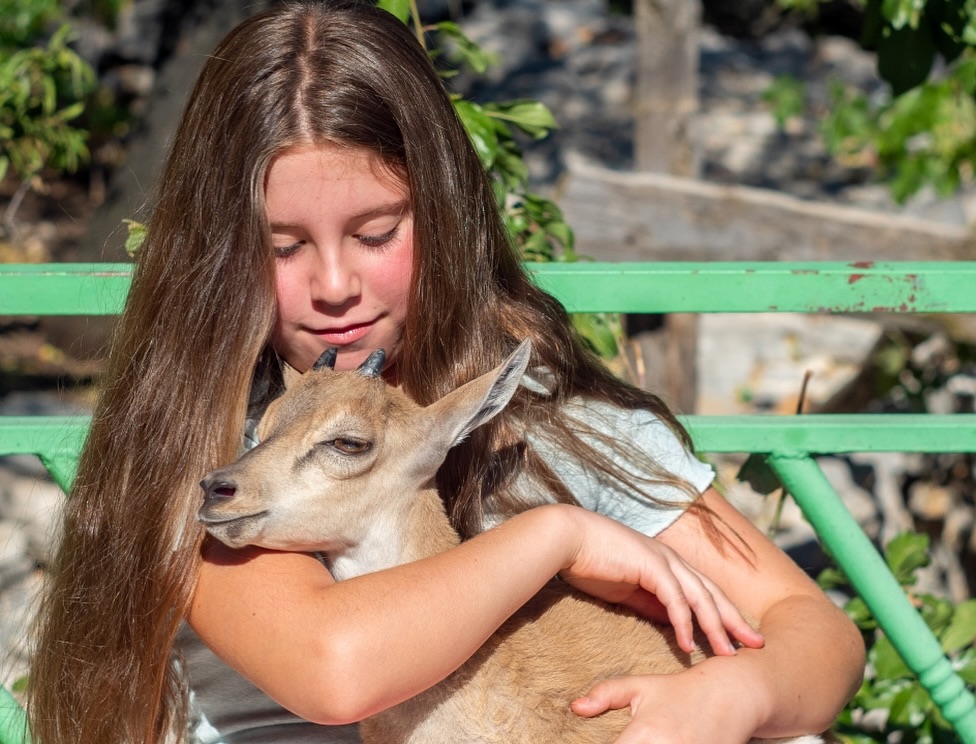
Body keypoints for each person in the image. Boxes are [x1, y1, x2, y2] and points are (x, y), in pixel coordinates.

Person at [26, 2, 864, 742]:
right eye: (282, 247)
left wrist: (734, 697)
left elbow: (813, 632)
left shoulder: (557, 427)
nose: (333, 286)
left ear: (445, 214)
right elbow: (336, 671)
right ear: (220, 255)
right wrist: (559, 538)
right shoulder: (213, 452)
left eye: (377, 233)